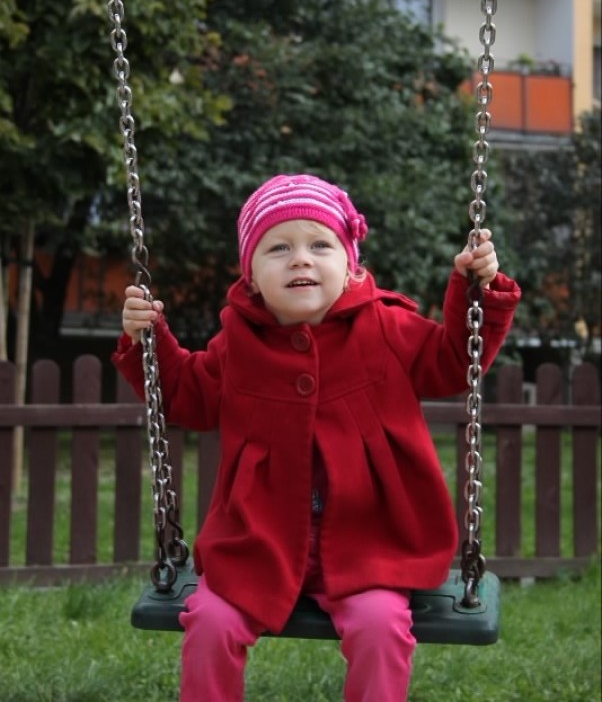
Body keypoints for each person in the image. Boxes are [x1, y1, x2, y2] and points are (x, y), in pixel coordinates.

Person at [113, 173, 521, 702]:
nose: (300, 259)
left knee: (380, 629)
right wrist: (148, 340)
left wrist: (477, 292)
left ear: (350, 265)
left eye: (320, 244)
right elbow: (187, 394)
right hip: (257, 544)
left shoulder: (387, 328)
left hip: (371, 543)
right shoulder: (237, 343)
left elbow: (451, 362)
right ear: (251, 277)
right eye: (278, 247)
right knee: (210, 623)